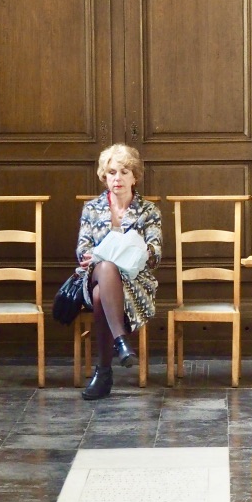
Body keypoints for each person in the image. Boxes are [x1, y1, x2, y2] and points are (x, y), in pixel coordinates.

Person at [76, 143, 162, 400]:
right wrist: (94, 255)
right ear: (105, 177)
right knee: (105, 266)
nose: (118, 178)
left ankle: (103, 372)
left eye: (124, 172)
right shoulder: (92, 208)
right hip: (92, 276)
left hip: (134, 281)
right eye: (112, 172)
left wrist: (141, 251)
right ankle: (121, 342)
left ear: (135, 177)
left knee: (101, 295)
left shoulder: (149, 211)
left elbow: (155, 253)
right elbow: (82, 250)